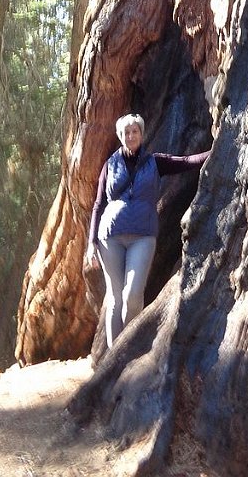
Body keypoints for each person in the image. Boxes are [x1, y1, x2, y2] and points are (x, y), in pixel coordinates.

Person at [85, 112, 210, 347]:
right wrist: (91, 242)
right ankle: (114, 359)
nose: (131, 135)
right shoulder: (110, 165)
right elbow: (98, 204)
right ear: (120, 136)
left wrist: (217, 149)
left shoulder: (155, 161)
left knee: (132, 296)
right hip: (109, 237)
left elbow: (185, 162)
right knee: (115, 299)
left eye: (135, 131)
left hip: (143, 236)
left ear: (141, 134)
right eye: (126, 132)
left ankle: (124, 350)